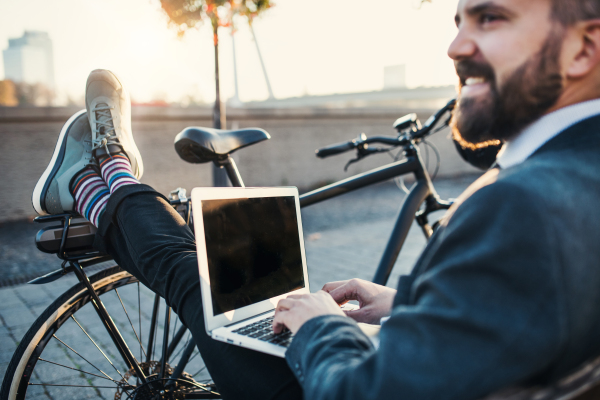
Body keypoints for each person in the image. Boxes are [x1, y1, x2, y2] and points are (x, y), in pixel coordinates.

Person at [32, 0, 600, 399]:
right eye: (458, 20)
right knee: (215, 278)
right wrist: (408, 305)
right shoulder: (578, 177)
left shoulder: (525, 205)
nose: (455, 45)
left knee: (192, 274)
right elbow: (520, 316)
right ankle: (106, 177)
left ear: (582, 50)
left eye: (491, 17)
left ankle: (100, 178)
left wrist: (319, 327)